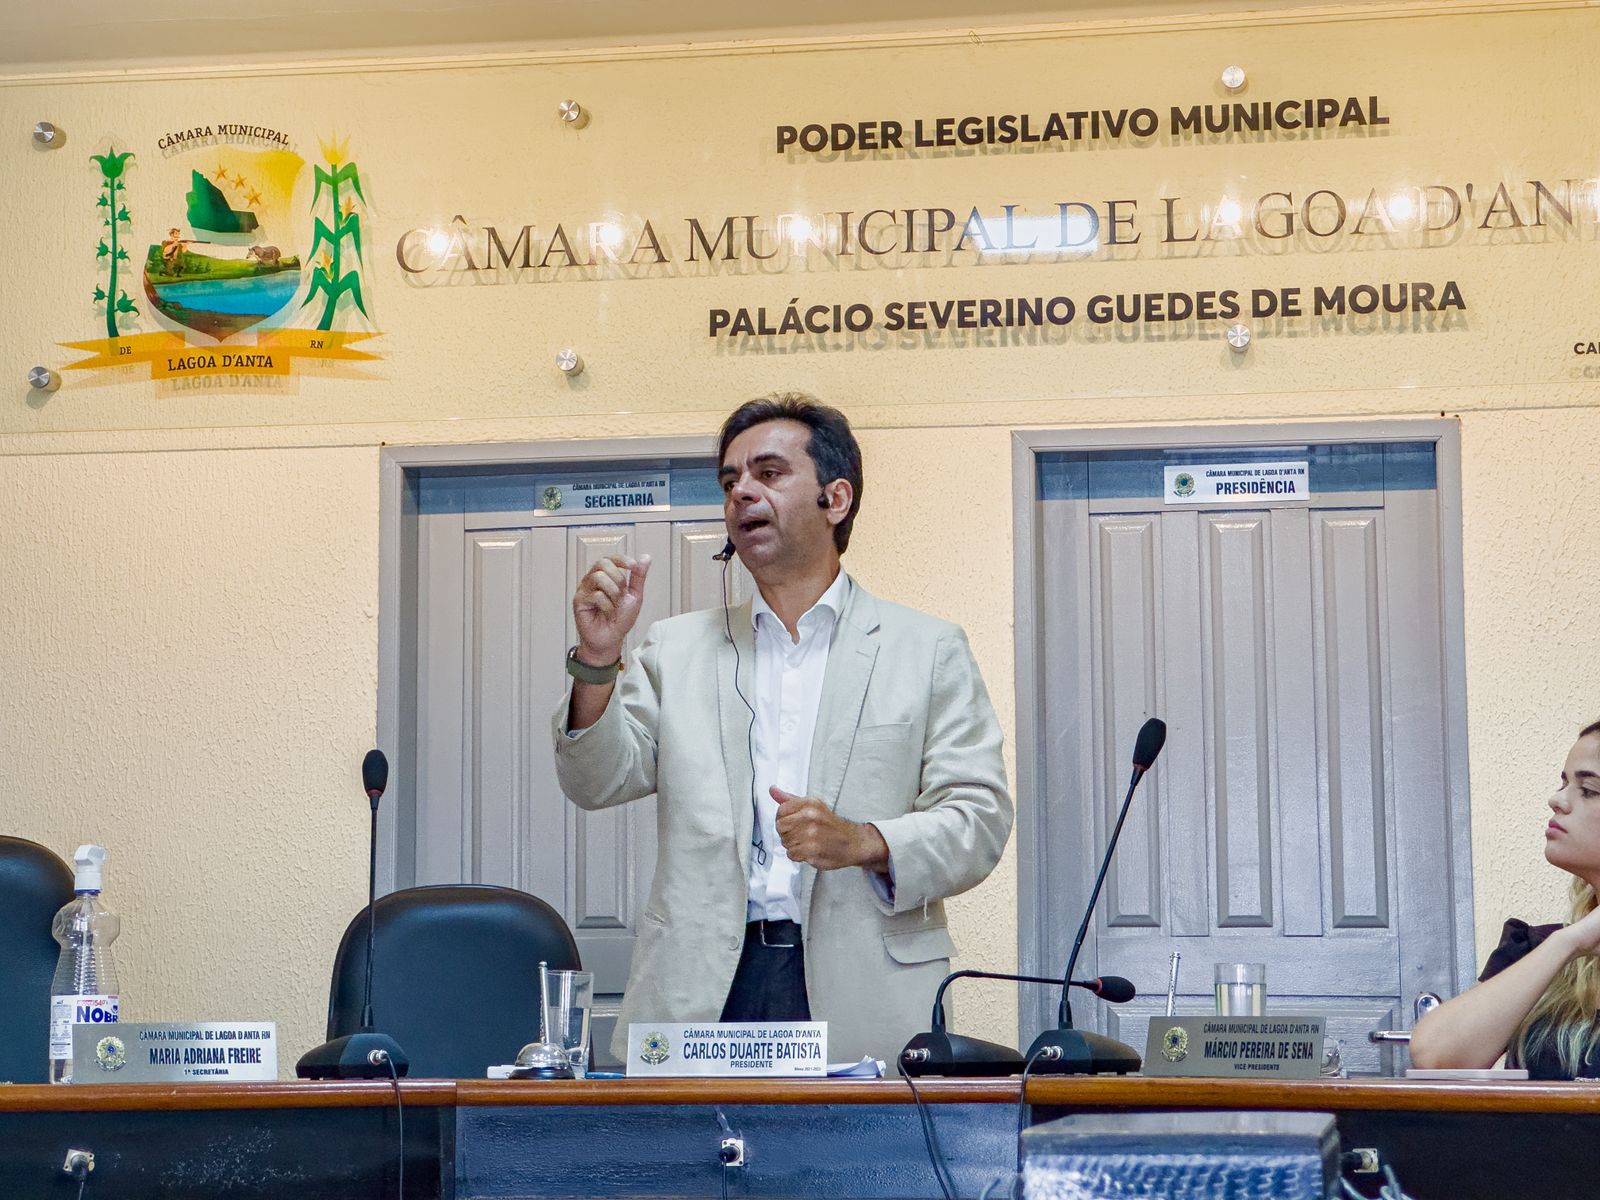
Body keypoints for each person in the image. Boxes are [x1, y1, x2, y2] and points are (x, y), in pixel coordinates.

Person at [551, 393, 1012, 1064]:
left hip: (862, 985)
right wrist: (596, 661)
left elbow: (980, 819)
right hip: (703, 987)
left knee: (855, 1171)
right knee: (687, 1171)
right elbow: (594, 781)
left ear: (837, 498)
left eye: (768, 473)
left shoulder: (926, 648)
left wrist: (864, 840)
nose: (742, 493)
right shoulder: (675, 649)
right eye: (730, 480)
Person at [1410, 720, 1600, 1078]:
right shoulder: (1537, 949)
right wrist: (1568, 942)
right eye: (1564, 783)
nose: (1557, 799)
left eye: (1587, 789)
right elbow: (1436, 1056)